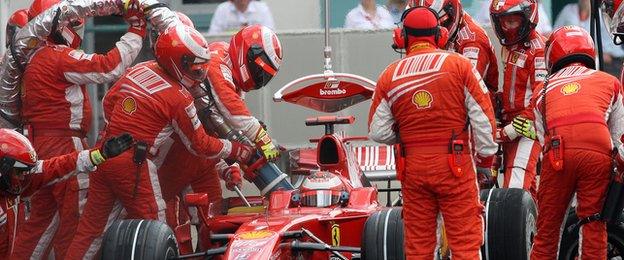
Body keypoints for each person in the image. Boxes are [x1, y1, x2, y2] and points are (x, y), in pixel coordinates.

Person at [65, 24, 255, 259]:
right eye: (195, 66)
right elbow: (200, 145)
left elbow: (108, 103)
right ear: (177, 60)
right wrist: (235, 150)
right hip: (135, 163)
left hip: (104, 153)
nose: (201, 73)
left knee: (89, 233)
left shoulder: (139, 70)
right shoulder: (180, 97)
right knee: (158, 233)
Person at [9, 0, 147, 259]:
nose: (78, 31)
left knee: (38, 224)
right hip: (64, 143)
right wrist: (136, 30)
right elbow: (109, 66)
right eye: (74, 24)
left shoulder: (32, 59)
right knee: (76, 222)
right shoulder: (56, 56)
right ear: (57, 26)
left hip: (37, 145)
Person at [368, 7, 497, 258]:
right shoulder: (460, 66)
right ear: (439, 35)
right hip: (455, 166)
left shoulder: (389, 75)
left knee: (418, 246)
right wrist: (486, 159)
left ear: (402, 37)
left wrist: (408, 130)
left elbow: (377, 131)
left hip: (413, 169)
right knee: (466, 242)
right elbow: (484, 120)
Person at [525, 25, 624, 260]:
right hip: (598, 153)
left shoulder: (542, 90)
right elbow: (619, 136)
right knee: (593, 225)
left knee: (547, 231)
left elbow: (542, 137)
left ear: (552, 56)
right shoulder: (608, 81)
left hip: (558, 154)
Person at [0, 129, 133, 259]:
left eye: (24, 172)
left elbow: (60, 165)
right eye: (18, 172)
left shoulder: (13, 183)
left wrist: (99, 154)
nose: (23, 178)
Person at [489, 0, 545, 196]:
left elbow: (540, 100)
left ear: (528, 18)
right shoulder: (511, 47)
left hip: (529, 128)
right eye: (504, 22)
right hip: (510, 123)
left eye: (512, 22)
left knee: (513, 190)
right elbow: (515, 89)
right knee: (526, 192)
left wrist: (508, 131)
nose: (507, 28)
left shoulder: (539, 50)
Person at [555, 0, 624, 76]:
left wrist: (599, 54)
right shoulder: (568, 10)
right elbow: (555, 33)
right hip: (578, 57)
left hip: (610, 60)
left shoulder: (601, 14)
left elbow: (612, 43)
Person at [208, 0, 275, 35]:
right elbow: (213, 35)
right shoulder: (222, 9)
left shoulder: (262, 8)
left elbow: (270, 34)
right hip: (229, 50)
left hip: (256, 50)